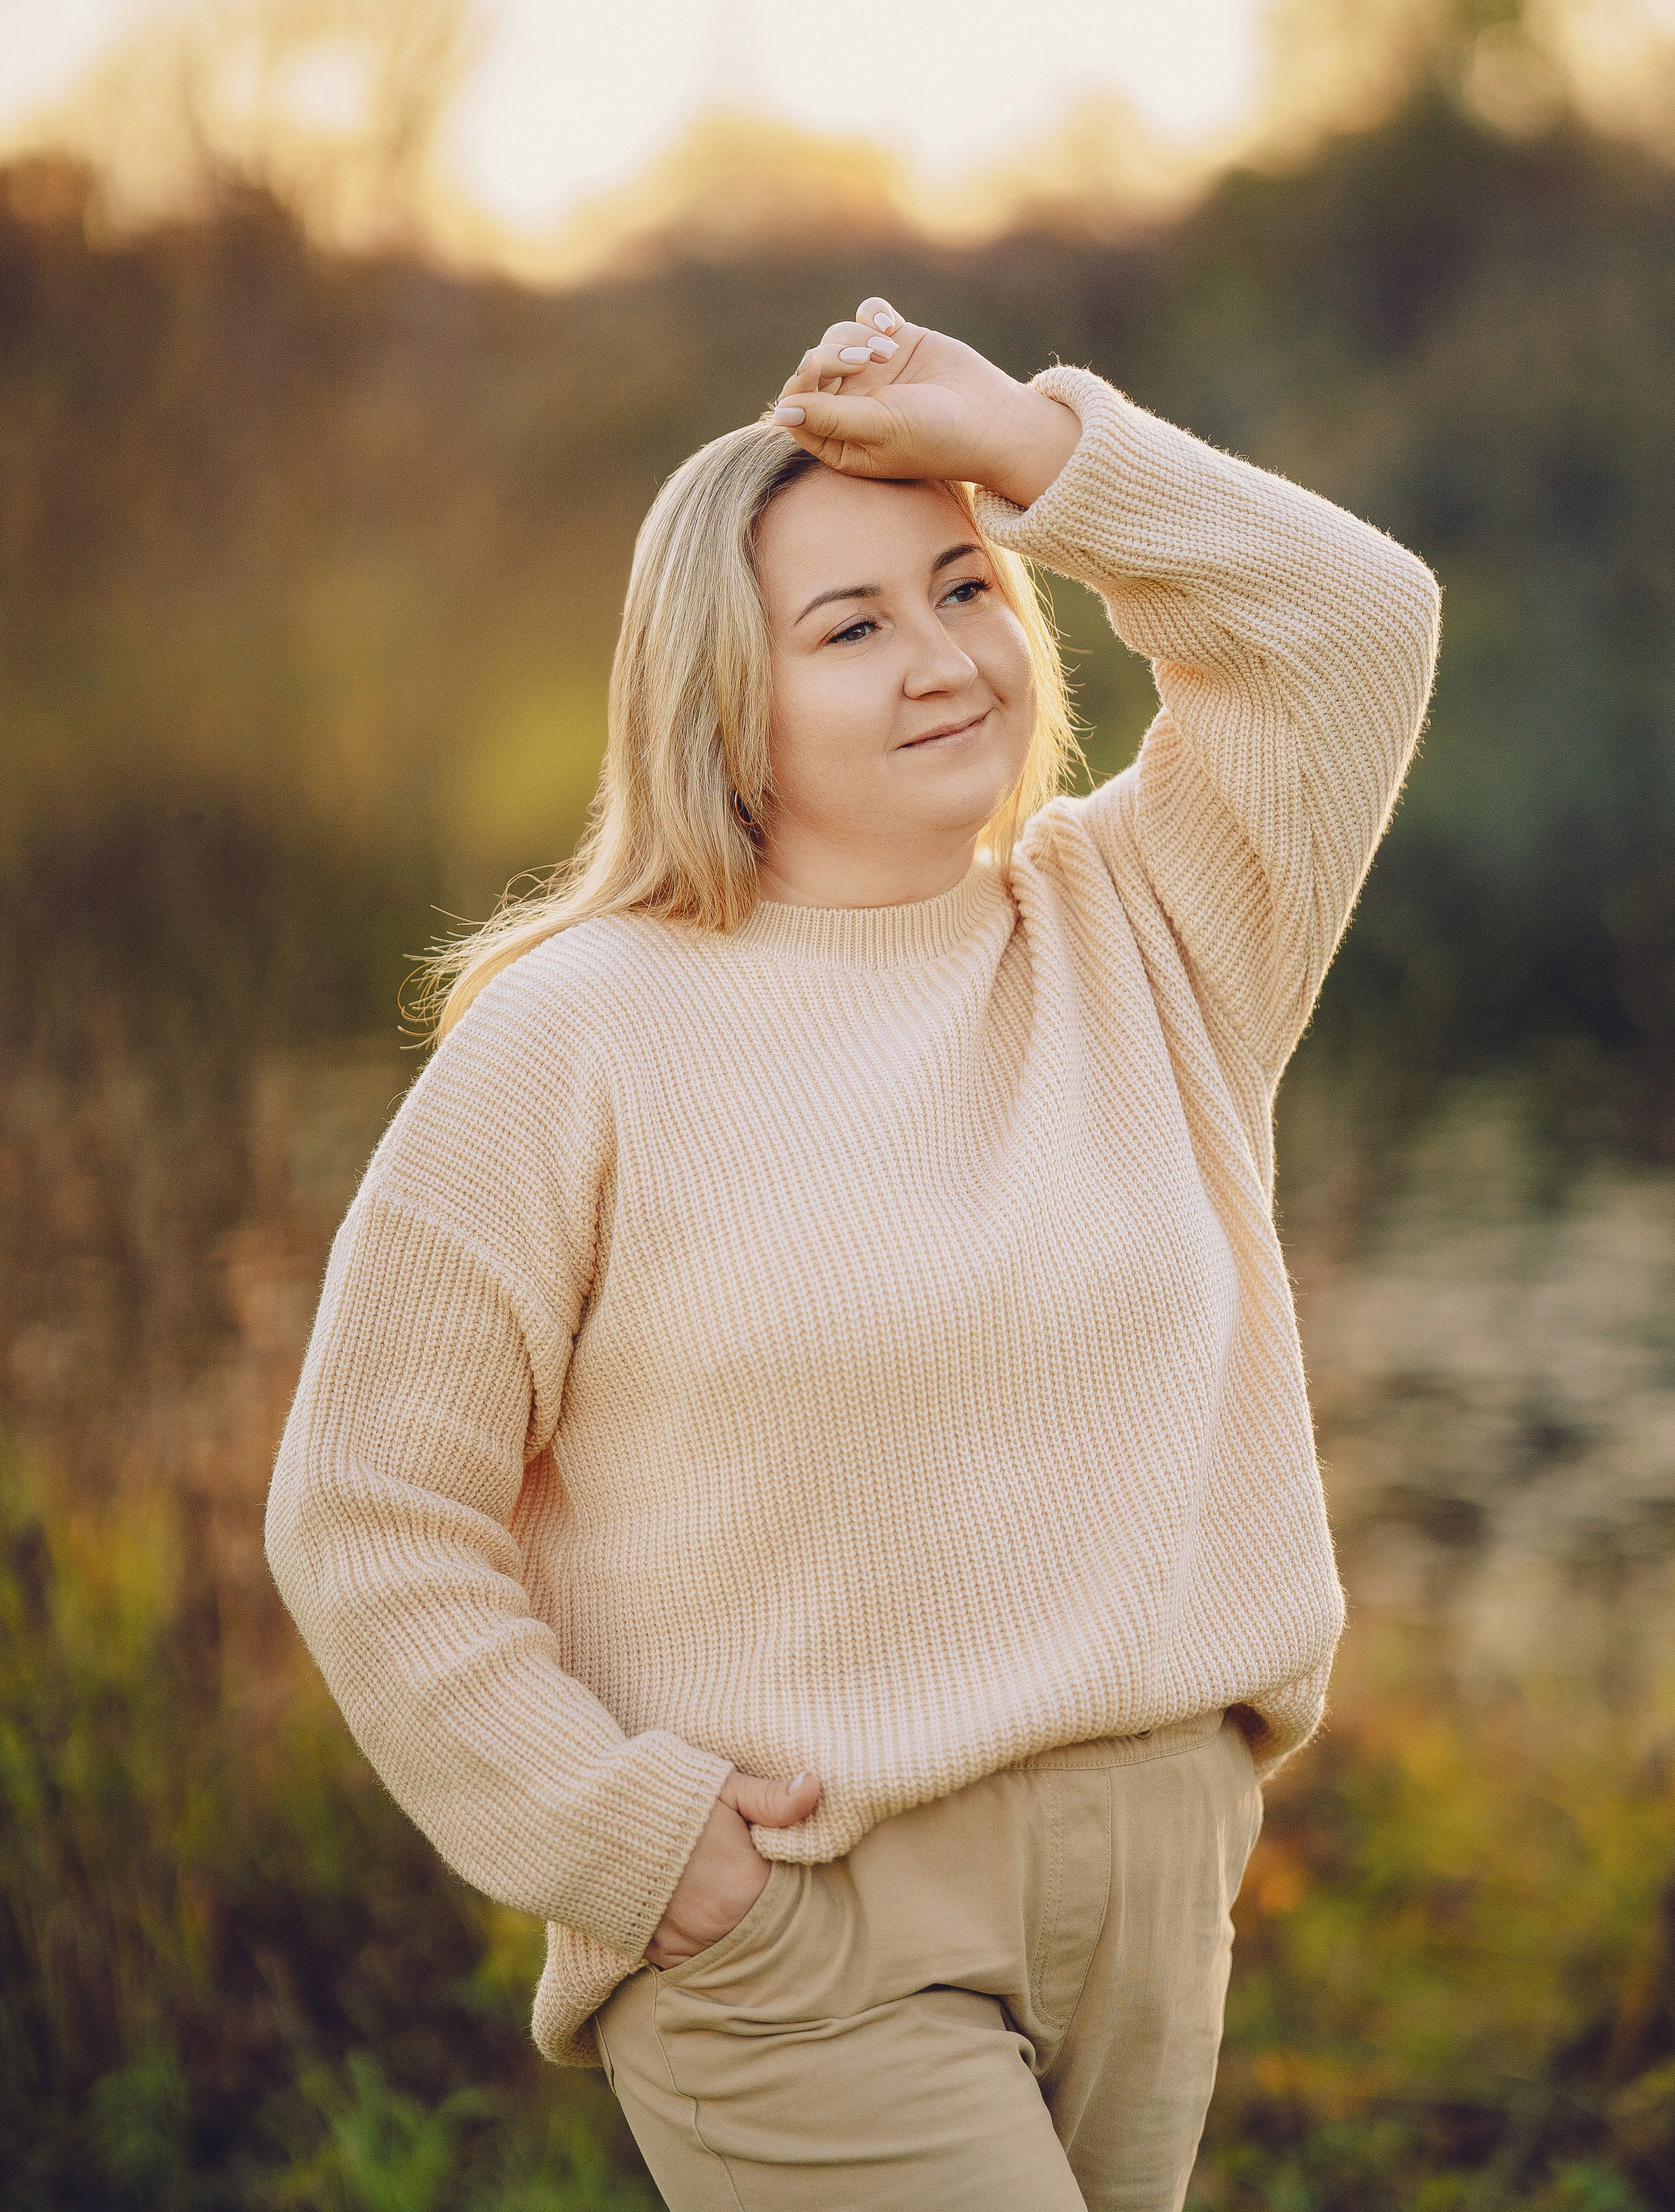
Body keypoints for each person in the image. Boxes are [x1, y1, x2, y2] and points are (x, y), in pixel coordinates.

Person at [266, 298, 1439, 2211]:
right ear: (728, 706)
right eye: (851, 626)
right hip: (804, 1933)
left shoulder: (1149, 928)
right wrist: (627, 1839)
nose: (944, 658)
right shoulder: (579, 1033)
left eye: (965, 589)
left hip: (1156, 1891)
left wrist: (1022, 440)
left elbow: (1352, 624)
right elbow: (367, 1508)